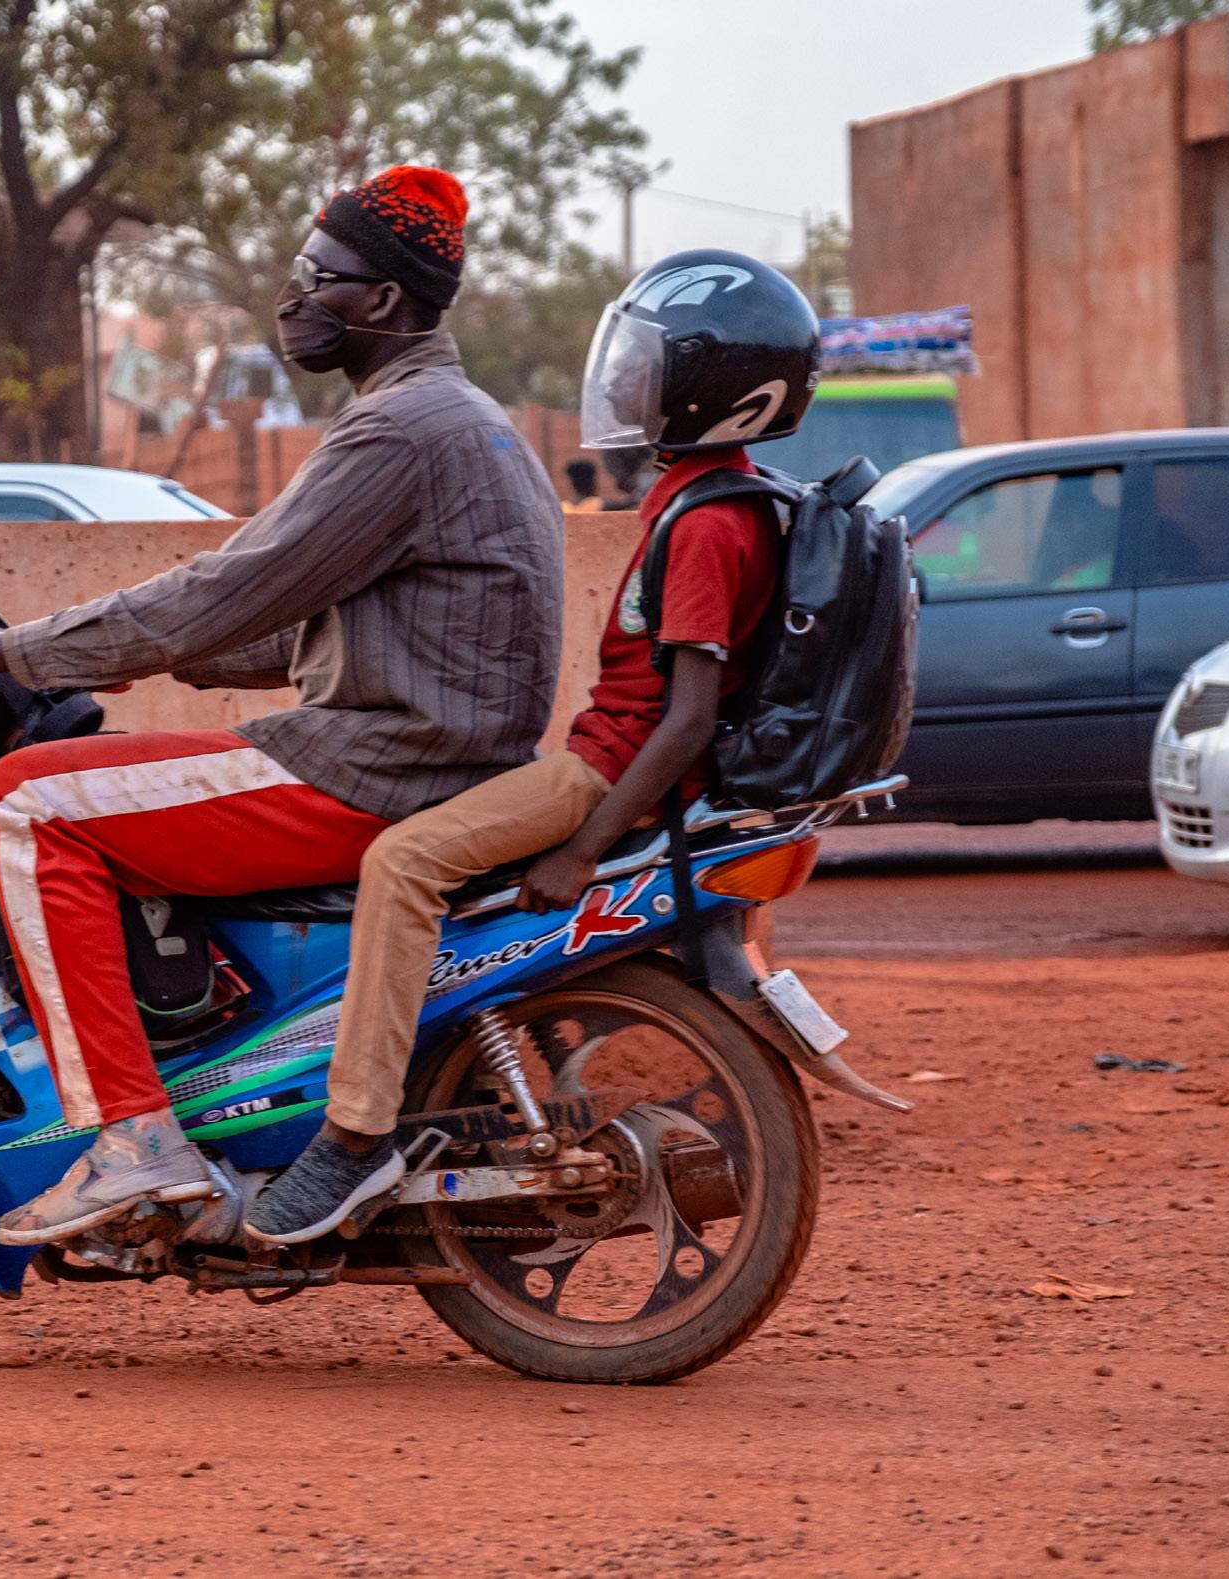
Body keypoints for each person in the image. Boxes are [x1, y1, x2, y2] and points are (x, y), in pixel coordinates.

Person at [0, 166, 565, 1246]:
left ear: (383, 300)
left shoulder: (395, 433)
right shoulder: (466, 421)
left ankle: (132, 1137)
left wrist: (13, 652)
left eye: (317, 277)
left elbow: (226, 588)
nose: (294, 300)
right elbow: (319, 624)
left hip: (371, 766)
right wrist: (125, 659)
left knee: (24, 803)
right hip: (435, 758)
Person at [245, 249, 820, 1243]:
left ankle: (354, 1136)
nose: (629, 385)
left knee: (404, 860)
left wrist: (583, 848)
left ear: (714, 389)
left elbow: (684, 715)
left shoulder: (706, 524)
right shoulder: (724, 495)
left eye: (652, 369)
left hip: (604, 771)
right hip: (607, 759)